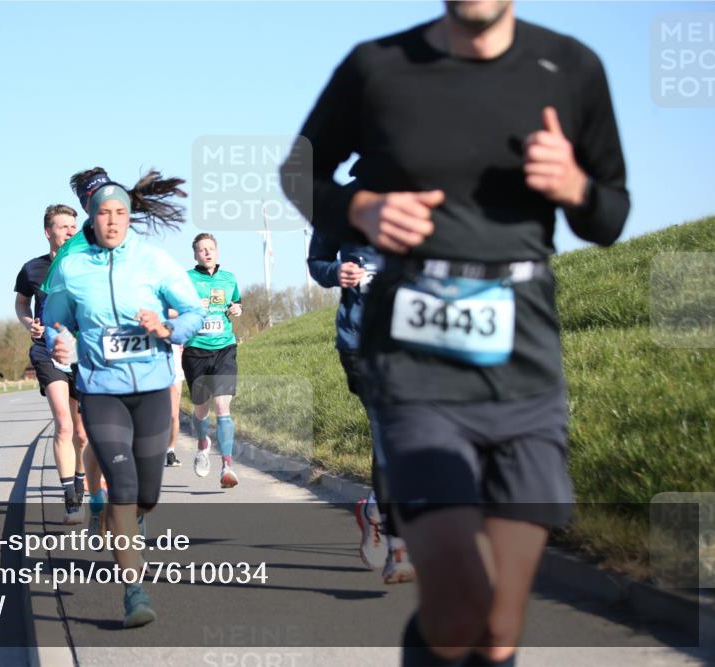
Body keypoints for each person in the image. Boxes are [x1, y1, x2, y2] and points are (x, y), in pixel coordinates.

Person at [282, 2, 629, 664]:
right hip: (413, 363)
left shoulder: (572, 67)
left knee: (498, 627)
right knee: (457, 603)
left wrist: (576, 185)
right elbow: (299, 171)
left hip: (522, 359)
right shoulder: (376, 68)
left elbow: (610, 215)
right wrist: (359, 206)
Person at [44, 167, 204, 628]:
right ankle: (135, 591)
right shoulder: (71, 268)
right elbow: (57, 320)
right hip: (100, 390)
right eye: (103, 214)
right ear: (90, 219)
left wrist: (168, 327)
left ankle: (129, 519)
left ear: (130, 216)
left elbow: (194, 310)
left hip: (152, 388)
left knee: (147, 493)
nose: (112, 221)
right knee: (125, 487)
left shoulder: (153, 261)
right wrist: (60, 340)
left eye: (120, 213)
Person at [307, 229, 415, 584]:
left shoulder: (425, 195)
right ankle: (399, 548)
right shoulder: (340, 207)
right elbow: (317, 262)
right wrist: (336, 270)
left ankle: (374, 509)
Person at [15, 204, 97, 525]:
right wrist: (29, 324)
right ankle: (72, 500)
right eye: (64, 227)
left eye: (74, 226)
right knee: (63, 422)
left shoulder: (88, 265)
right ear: (48, 232)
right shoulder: (32, 269)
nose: (71, 232)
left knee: (83, 432)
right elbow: (22, 302)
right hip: (47, 351)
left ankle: (80, 479)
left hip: (82, 353)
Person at [182, 233, 242, 488]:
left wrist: (237, 309)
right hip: (196, 350)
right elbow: (172, 309)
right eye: (202, 249)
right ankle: (203, 443)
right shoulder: (186, 279)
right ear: (195, 254)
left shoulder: (229, 278)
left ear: (216, 252)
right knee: (201, 408)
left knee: (222, 407)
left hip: (224, 348)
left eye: (210, 249)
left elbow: (236, 303)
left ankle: (227, 466)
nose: (207, 253)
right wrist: (194, 306)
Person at [166, 342, 185, 467]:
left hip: (175, 370)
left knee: (174, 414)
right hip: (153, 369)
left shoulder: (176, 323)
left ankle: (170, 452)